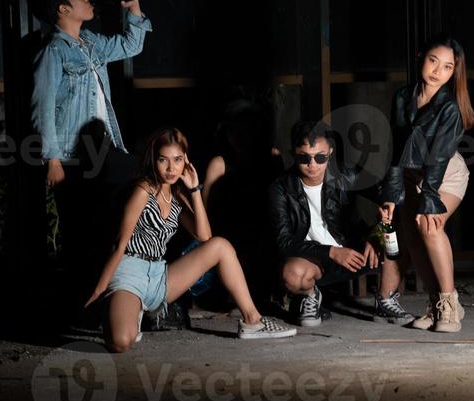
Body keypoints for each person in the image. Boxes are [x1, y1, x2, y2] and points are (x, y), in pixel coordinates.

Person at [86, 127, 297, 351]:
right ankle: (120, 310)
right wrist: (100, 290)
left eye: (177, 160)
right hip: (130, 274)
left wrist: (195, 189)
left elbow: (205, 236)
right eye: (163, 160)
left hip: (159, 277)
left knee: (221, 246)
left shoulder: (177, 195)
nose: (170, 168)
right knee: (120, 343)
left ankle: (253, 321)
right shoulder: (143, 191)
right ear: (153, 160)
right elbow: (119, 245)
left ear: (185, 161)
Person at [29, 0, 152, 304]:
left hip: (104, 145)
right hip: (75, 153)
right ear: (61, 9)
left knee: (103, 223)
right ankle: (82, 303)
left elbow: (131, 45)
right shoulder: (54, 52)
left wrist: (134, 8)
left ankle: (115, 297)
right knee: (81, 230)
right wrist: (52, 159)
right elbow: (42, 108)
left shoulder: (92, 43)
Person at [377, 33, 474, 333]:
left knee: (430, 227)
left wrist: (429, 198)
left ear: (453, 73)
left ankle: (450, 307)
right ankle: (435, 306)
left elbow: (439, 158)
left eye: (447, 67)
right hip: (410, 174)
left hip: (444, 174)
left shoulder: (450, 108)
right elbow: (396, 147)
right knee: (413, 241)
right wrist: (391, 195)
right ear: (421, 57)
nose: (438, 71)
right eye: (434, 61)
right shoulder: (402, 97)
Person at [268, 120, 380, 328]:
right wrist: (331, 252)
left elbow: (391, 198)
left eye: (320, 157)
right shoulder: (281, 188)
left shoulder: (348, 174)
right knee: (291, 275)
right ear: (294, 153)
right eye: (304, 158)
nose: (313, 165)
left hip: (355, 253)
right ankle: (310, 295)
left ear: (330, 152)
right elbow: (283, 242)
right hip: (312, 260)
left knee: (402, 235)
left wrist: (376, 234)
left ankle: (386, 300)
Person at [202, 99, 283, 307]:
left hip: (264, 229)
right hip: (228, 232)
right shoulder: (219, 163)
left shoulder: (272, 157)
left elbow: (282, 204)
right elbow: (206, 212)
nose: (241, 137)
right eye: (234, 131)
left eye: (247, 130)